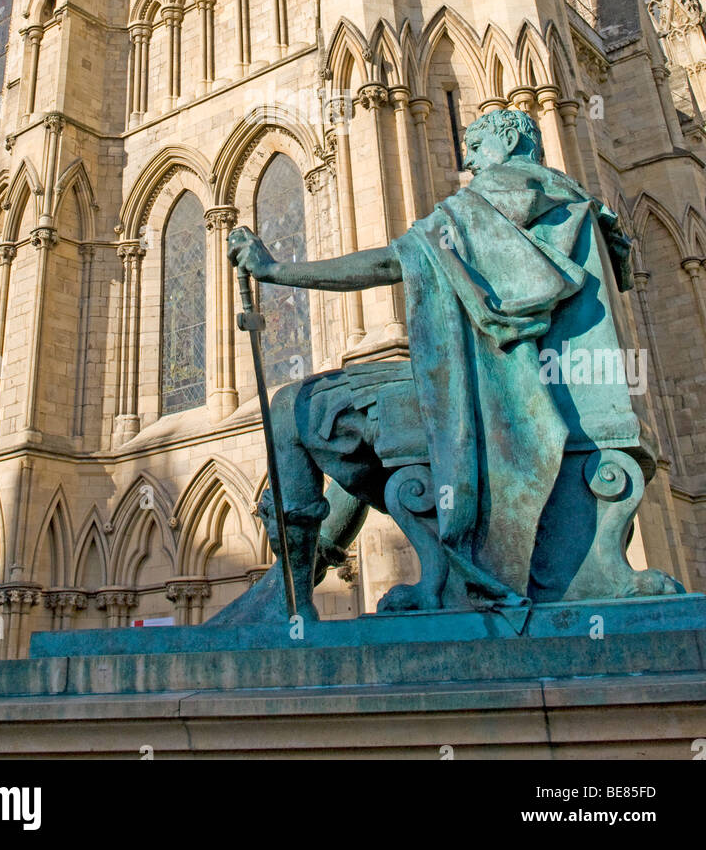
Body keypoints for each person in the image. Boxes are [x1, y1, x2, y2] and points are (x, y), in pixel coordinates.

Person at [213, 108, 680, 624]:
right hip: (510, 387)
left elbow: (392, 261)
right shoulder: (567, 198)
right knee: (351, 422)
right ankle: (310, 566)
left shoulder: (503, 192)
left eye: (477, 147)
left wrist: (276, 270)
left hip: (487, 395)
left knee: (292, 407)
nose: (470, 160)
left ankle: (292, 591)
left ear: (507, 141)